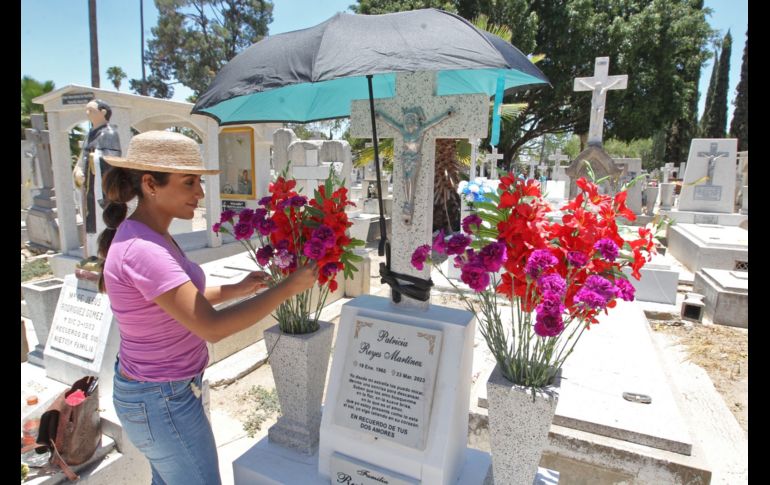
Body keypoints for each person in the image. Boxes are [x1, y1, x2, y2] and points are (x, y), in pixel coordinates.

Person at [97, 130, 317, 485]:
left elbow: (177, 300)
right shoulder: (143, 249)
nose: (200, 193)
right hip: (161, 398)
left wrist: (236, 289)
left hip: (159, 394)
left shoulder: (151, 233)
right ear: (151, 184)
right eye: (189, 182)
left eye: (198, 181)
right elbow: (211, 327)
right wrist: (289, 288)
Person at [73, 99, 122, 260]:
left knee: (102, 219)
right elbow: (82, 157)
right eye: (86, 110)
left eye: (91, 110)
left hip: (101, 187)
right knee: (90, 220)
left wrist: (95, 159)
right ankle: (92, 254)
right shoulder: (90, 135)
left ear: (103, 112)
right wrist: (79, 169)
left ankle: (104, 254)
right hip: (89, 187)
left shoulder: (109, 133)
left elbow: (113, 159)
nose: (87, 113)